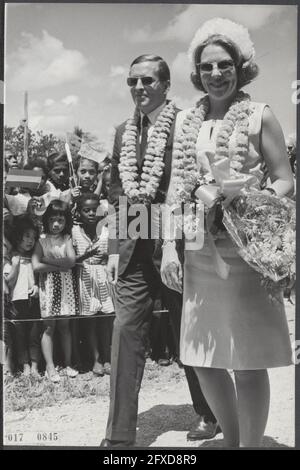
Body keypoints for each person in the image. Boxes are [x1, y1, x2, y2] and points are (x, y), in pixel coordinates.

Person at [161, 18, 294, 448]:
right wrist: (168, 247)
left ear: (241, 67)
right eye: (207, 67)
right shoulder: (186, 120)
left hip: (246, 249)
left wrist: (252, 203)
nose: (216, 74)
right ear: (197, 73)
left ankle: (251, 446)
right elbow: (173, 190)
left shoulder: (260, 115)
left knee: (249, 360)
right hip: (199, 249)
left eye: (225, 65)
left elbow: (285, 178)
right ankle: (232, 439)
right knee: (202, 359)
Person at [100, 54, 216, 447]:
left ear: (166, 85)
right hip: (135, 245)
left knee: (189, 330)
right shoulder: (122, 131)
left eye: (148, 81)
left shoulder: (188, 125)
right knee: (125, 331)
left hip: (180, 245)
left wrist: (176, 248)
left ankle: (209, 411)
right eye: (132, 82)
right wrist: (116, 246)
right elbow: (119, 194)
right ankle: (118, 435)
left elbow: (191, 187)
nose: (139, 89)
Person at [32, 200, 79, 382]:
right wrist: (61, 264)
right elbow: (36, 266)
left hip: (65, 286)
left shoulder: (67, 239)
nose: (57, 224)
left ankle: (68, 364)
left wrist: (48, 261)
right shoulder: (41, 241)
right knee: (49, 327)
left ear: (66, 221)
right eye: (52, 220)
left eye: (60, 220)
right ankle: (50, 367)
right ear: (46, 221)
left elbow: (72, 262)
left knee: (65, 327)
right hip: (49, 287)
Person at [72, 193, 114, 375]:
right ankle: (95, 359)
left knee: (106, 320)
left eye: (94, 209)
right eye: (85, 210)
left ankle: (108, 358)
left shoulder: (106, 229)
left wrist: (107, 258)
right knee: (90, 321)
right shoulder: (74, 231)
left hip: (103, 274)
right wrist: (85, 257)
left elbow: (113, 253)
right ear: (78, 212)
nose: (90, 213)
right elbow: (70, 259)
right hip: (85, 276)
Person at [4, 215, 41, 376]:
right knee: (19, 335)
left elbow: (39, 278)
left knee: (34, 334)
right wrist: (15, 265)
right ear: (18, 236)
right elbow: (9, 282)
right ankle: (24, 365)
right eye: (27, 236)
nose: (30, 241)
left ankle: (34, 366)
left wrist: (37, 287)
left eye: (33, 237)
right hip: (16, 301)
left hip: (32, 301)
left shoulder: (35, 257)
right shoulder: (11, 257)